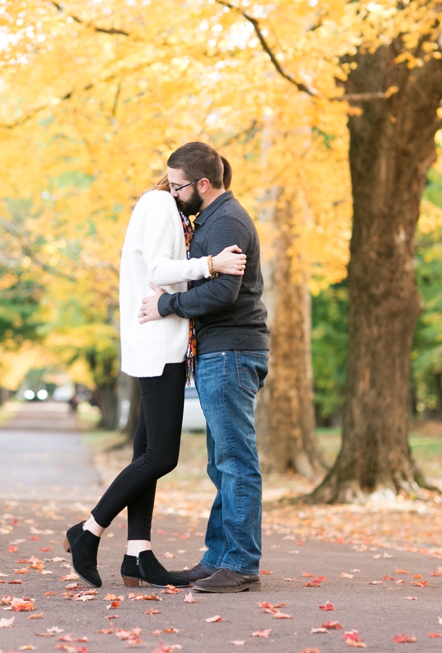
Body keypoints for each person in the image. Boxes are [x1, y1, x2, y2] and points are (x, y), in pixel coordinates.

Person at [63, 175, 247, 589]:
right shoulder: (160, 204)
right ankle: (88, 531)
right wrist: (211, 264)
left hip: (163, 343)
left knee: (146, 452)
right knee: (162, 456)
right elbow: (159, 269)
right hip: (159, 343)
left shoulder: (166, 209)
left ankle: (138, 554)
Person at [139, 142, 270, 593]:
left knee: (236, 462)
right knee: (222, 463)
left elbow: (222, 294)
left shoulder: (225, 222)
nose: (173, 195)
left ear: (202, 184)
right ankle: (218, 558)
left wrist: (165, 305)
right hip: (223, 352)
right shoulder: (213, 220)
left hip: (232, 352)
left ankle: (240, 564)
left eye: (177, 187)